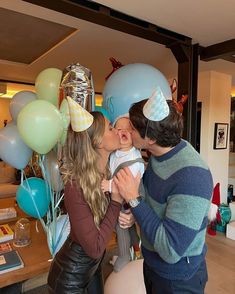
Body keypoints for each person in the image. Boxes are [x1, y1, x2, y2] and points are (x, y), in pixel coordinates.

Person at [114, 93, 213, 294]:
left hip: (177, 278)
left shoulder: (192, 176)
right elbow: (154, 199)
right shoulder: (160, 154)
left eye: (132, 128)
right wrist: (136, 211)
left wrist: (134, 201)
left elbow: (170, 249)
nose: (127, 132)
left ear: (150, 138)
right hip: (152, 265)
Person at [47, 111, 123, 294]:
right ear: (97, 142)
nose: (117, 131)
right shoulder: (75, 186)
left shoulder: (106, 173)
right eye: (111, 128)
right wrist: (116, 202)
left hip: (93, 268)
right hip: (69, 278)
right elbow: (95, 247)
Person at [101, 115, 145, 272]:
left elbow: (128, 182)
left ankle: (125, 254)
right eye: (119, 129)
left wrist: (109, 184)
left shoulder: (134, 157)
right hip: (117, 199)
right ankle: (137, 249)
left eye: (129, 129)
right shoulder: (115, 154)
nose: (124, 132)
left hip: (129, 200)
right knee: (130, 228)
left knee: (122, 225)